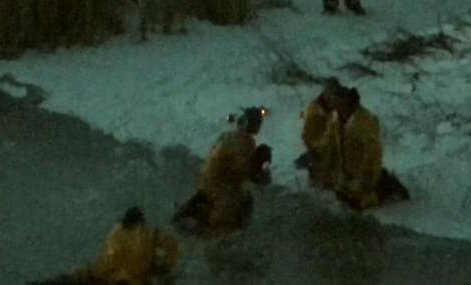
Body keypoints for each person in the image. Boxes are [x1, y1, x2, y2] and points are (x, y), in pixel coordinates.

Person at [24, 206, 178, 285]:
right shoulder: (148, 233)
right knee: (82, 282)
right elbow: (170, 244)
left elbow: (103, 264)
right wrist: (165, 265)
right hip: (123, 274)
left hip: (115, 272)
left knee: (80, 281)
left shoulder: (118, 233)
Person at [297, 78, 409, 210]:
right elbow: (328, 144)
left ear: (347, 99)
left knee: (360, 204)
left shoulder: (363, 122)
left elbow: (373, 154)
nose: (333, 101)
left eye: (338, 97)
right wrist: (315, 154)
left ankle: (385, 188)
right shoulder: (336, 119)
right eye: (333, 97)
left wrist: (367, 178)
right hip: (346, 178)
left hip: (363, 178)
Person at [173, 106, 272, 234]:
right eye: (257, 122)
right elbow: (242, 168)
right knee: (226, 223)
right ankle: (214, 232)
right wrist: (258, 170)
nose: (258, 125)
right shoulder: (245, 141)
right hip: (224, 186)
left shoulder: (228, 136)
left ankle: (191, 216)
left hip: (209, 180)